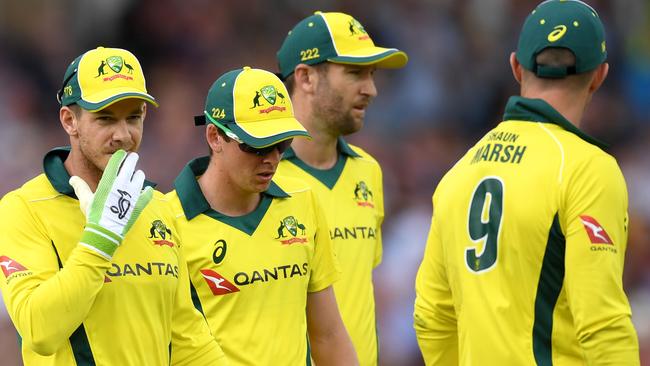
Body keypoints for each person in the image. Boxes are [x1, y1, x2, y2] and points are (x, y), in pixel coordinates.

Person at [413, 1, 640, 365]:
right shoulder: (587, 169)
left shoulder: (458, 172)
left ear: (516, 67)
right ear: (599, 76)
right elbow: (602, 323)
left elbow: (430, 316)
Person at [0, 47, 227, 365]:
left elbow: (190, 344)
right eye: (105, 118)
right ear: (69, 120)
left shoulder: (157, 208)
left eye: (133, 117)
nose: (122, 134)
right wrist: (99, 240)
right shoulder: (23, 209)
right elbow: (39, 330)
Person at [167, 66, 358, 365]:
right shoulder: (167, 222)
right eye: (256, 146)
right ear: (215, 136)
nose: (272, 159)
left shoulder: (303, 203)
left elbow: (328, 335)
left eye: (281, 144)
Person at [275, 11, 408, 366]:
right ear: (305, 78)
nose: (371, 89)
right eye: (354, 73)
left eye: (372, 74)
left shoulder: (368, 172)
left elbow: (360, 291)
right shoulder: (260, 178)